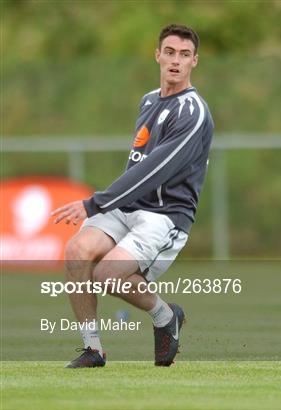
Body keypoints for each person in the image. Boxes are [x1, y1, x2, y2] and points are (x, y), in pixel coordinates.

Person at [51, 24, 214, 368]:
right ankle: (93, 349)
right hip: (128, 206)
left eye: (184, 55)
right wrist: (109, 204)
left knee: (107, 276)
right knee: (77, 252)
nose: (175, 61)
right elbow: (137, 161)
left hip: (164, 215)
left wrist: (94, 203)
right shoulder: (149, 100)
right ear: (157, 55)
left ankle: (164, 315)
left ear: (194, 62)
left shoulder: (193, 111)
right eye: (169, 52)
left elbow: (156, 169)